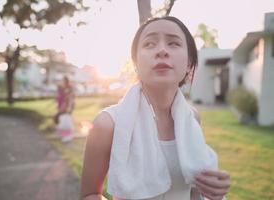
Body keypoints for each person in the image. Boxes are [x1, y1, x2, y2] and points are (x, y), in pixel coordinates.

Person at [80, 16, 230, 200]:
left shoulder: (192, 118)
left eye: (173, 43)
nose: (161, 50)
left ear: (189, 63)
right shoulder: (108, 124)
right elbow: (90, 194)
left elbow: (192, 191)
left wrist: (212, 191)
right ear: (135, 64)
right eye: (150, 44)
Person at [55, 76, 75, 142]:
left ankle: (67, 137)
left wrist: (68, 108)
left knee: (66, 122)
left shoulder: (68, 89)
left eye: (62, 81)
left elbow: (69, 99)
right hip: (62, 107)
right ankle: (63, 136)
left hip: (66, 108)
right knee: (61, 121)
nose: (61, 82)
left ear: (66, 81)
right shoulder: (63, 89)